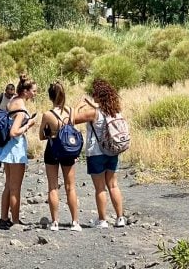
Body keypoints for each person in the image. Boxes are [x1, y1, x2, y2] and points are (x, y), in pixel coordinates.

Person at [72, 78, 126, 228]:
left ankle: (102, 220)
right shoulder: (115, 111)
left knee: (100, 187)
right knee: (113, 185)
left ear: (98, 96)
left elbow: (72, 119)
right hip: (112, 150)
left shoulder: (93, 113)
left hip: (96, 153)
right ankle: (120, 218)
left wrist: (78, 106)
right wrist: (92, 104)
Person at [0, 73, 37, 230]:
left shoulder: (12, 101)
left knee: (8, 185)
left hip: (6, 149)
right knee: (15, 187)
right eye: (34, 91)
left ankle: (4, 218)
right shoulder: (21, 107)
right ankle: (16, 221)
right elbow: (14, 131)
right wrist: (29, 124)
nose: (35, 93)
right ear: (26, 91)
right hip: (16, 149)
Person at [39, 82, 81, 231]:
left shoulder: (47, 115)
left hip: (52, 149)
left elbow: (41, 136)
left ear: (50, 96)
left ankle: (55, 222)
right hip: (68, 150)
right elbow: (72, 129)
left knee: (52, 187)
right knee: (71, 187)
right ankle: (75, 222)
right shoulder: (71, 111)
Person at [0, 83, 16, 170]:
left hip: (10, 121)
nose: (10, 96)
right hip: (0, 121)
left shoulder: (14, 98)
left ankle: (5, 159)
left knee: (9, 140)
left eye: (12, 94)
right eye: (9, 94)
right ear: (5, 91)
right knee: (0, 139)